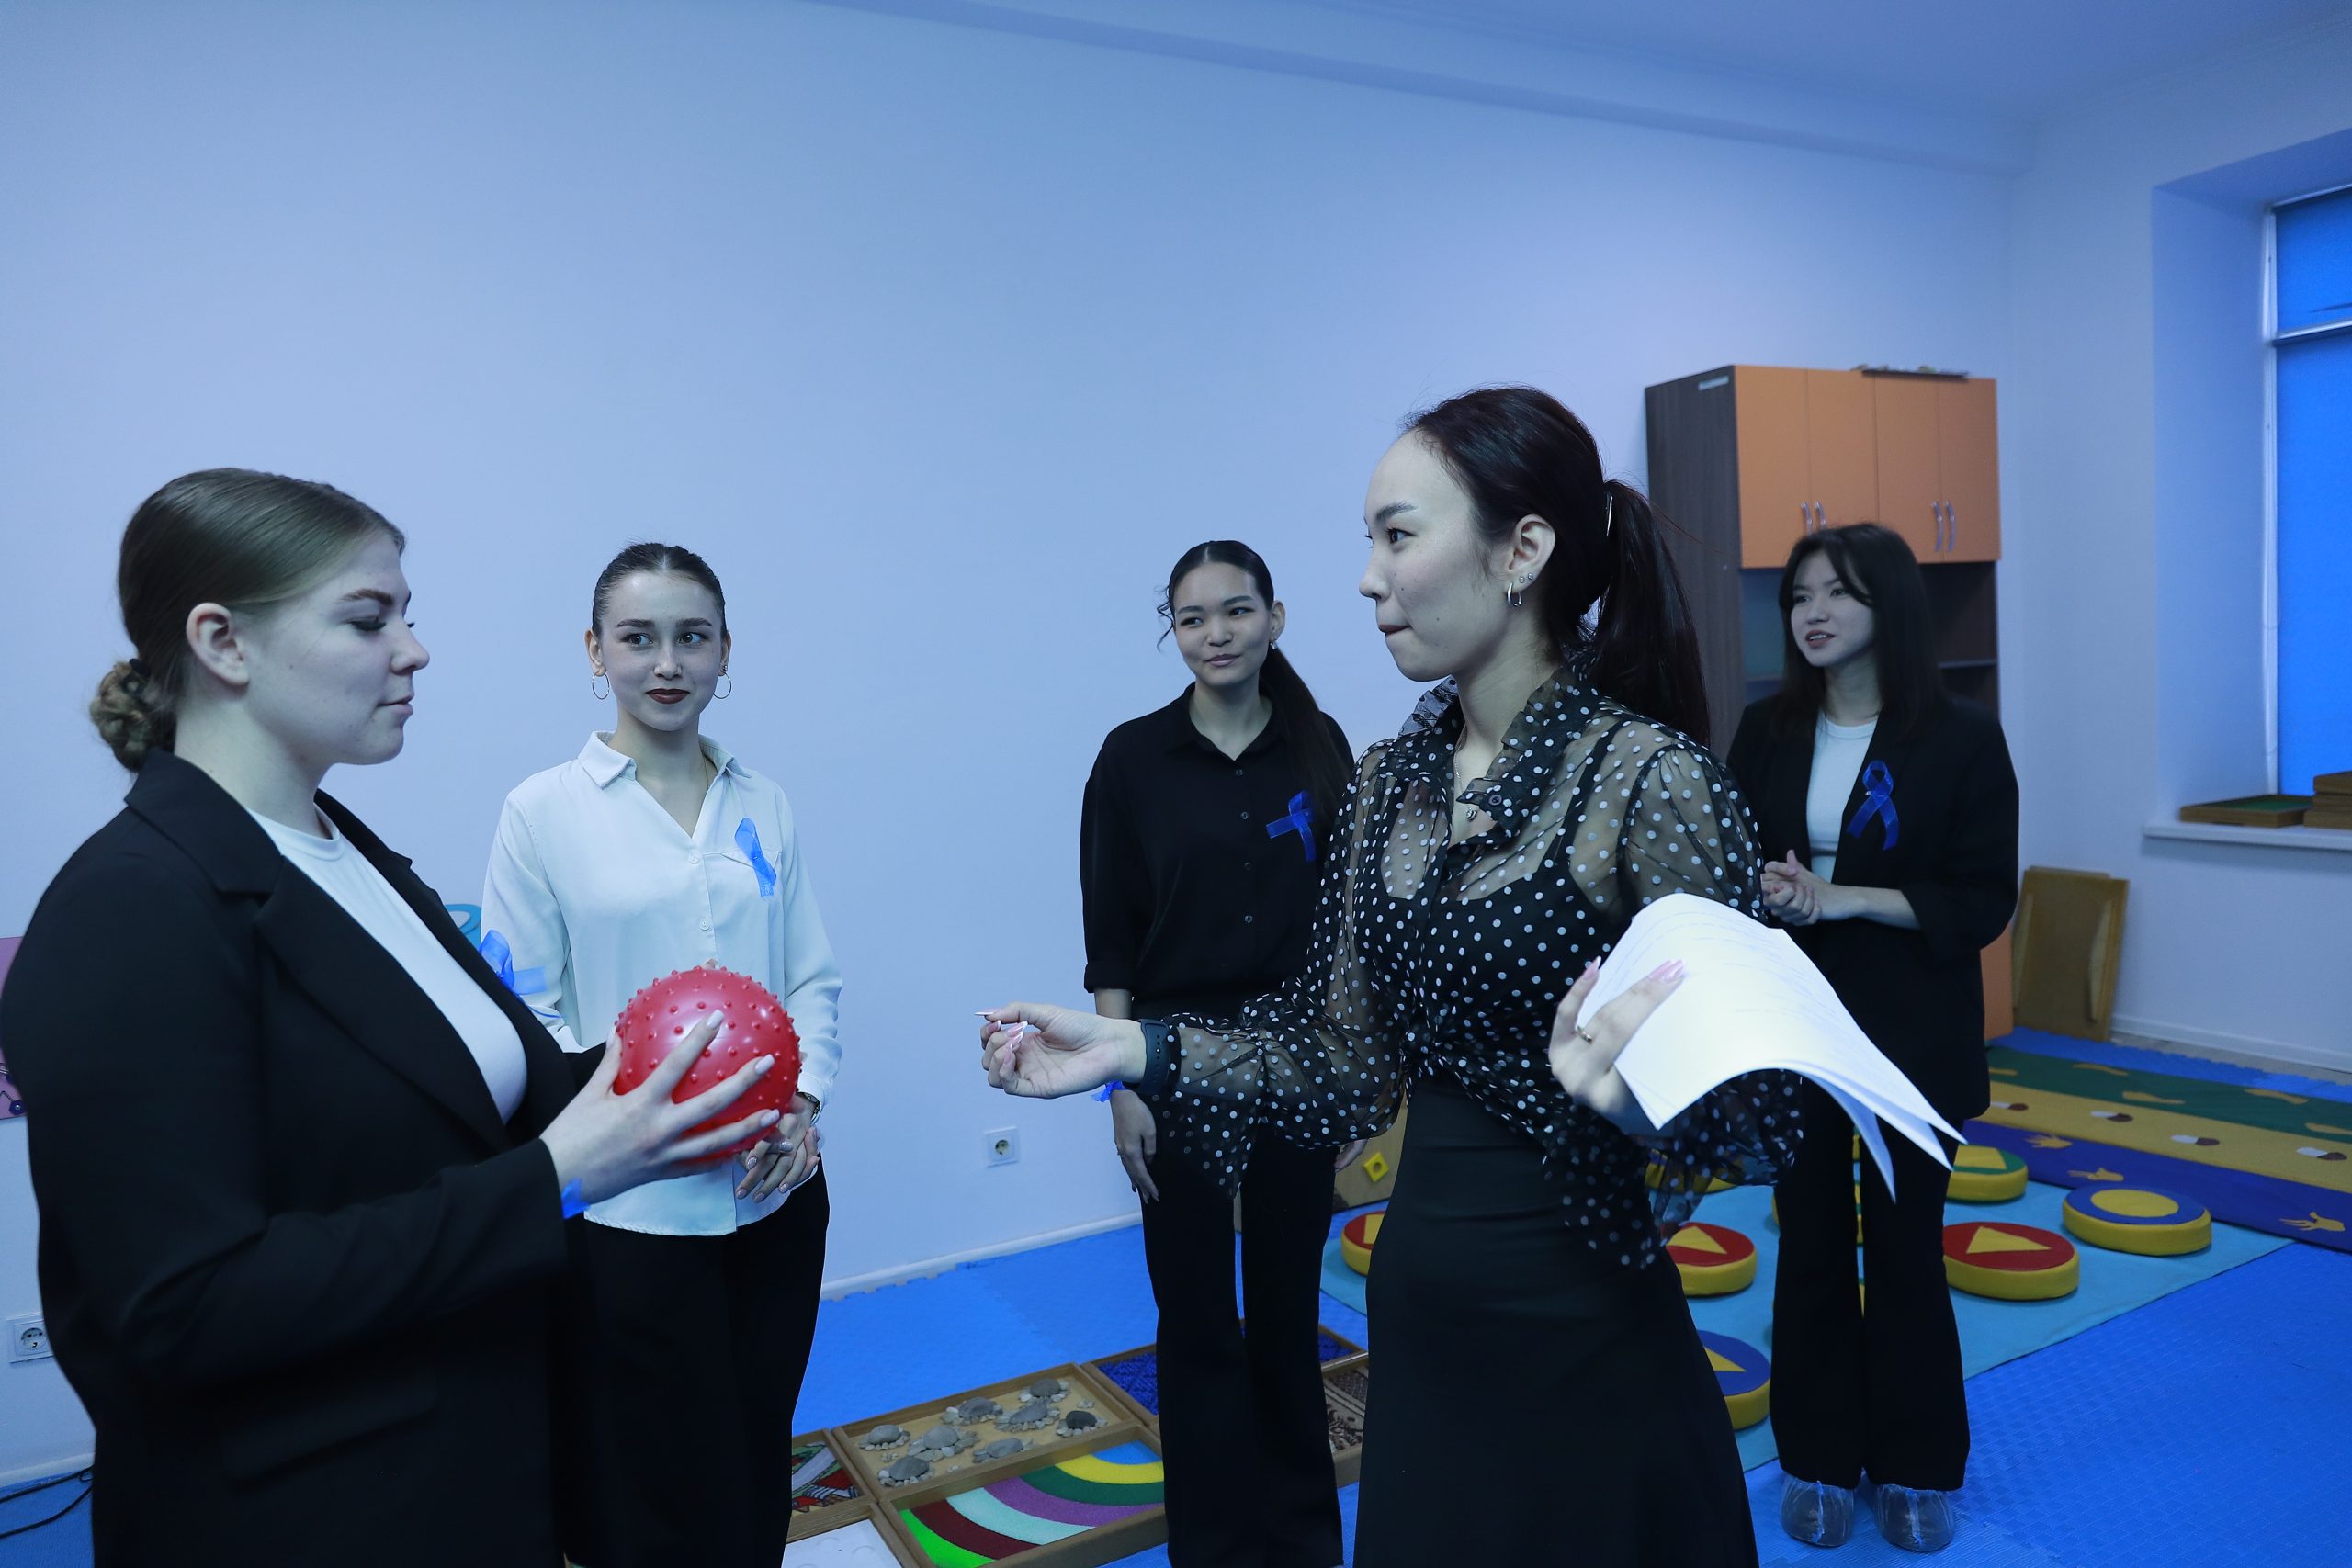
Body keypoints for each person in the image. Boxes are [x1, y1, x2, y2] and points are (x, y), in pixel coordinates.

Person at [981, 388, 1806, 1567]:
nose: (1368, 578)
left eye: (1397, 536)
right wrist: (1137, 1049)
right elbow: (1342, 1061)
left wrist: (1637, 1105)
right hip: (1421, 1316)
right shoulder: (1387, 784)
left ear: (1521, 551)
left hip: (1582, 1327)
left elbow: (1767, 1110)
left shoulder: (1646, 780)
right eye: (1367, 541)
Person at [0, 470, 781, 1567]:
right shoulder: (129, 910)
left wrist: (700, 1089)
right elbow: (183, 1307)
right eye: (369, 620)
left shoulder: (343, 853)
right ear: (223, 643)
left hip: (473, 1458)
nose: (414, 651)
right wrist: (554, 1178)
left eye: (407, 616)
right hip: (315, 1515)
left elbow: (473, 1096)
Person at [481, 541, 842, 1568]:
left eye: (693, 637)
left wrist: (805, 1102)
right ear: (595, 652)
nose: (668, 663)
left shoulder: (763, 799)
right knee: (646, 1474)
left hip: (773, 1187)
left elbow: (810, 977)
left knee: (756, 1445)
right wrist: (630, 1120)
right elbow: (526, 1011)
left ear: (726, 650)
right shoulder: (542, 810)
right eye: (639, 638)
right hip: (628, 1207)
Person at [1727, 523, 2018, 1554]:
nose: (1813, 612)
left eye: (1838, 593)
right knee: (1808, 1244)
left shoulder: (1962, 736)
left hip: (1913, 1037)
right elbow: (1733, 863)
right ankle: (1815, 1458)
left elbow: (1981, 898)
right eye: (1799, 595)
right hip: (1799, 1027)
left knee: (1905, 1252)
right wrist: (1768, 893)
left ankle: (1915, 1466)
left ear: (1887, 605)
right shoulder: (1765, 730)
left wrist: (1842, 896)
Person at [1082, 540, 1357, 1568]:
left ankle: (1301, 1539)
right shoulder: (1131, 759)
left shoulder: (1320, 746)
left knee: (1287, 1312)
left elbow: (1348, 924)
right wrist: (1121, 1084)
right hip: (1174, 1061)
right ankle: (1212, 1546)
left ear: (1275, 618)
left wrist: (1348, 1081)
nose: (1216, 634)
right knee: (1196, 1316)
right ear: (1173, 632)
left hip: (1298, 1061)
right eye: (1192, 618)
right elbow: (1110, 932)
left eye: (1236, 611)